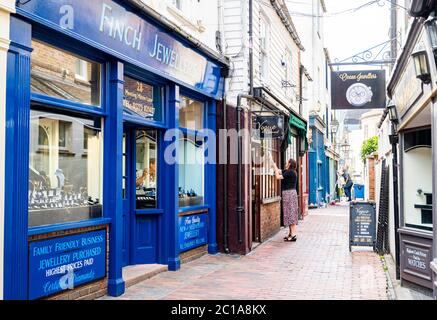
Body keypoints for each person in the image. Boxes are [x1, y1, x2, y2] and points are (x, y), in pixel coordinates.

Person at [269, 154, 299, 242]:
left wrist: (274, 166)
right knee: (289, 213)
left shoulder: (290, 172)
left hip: (289, 194)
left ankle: (293, 235)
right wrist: (272, 162)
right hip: (289, 193)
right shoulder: (290, 171)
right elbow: (279, 170)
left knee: (291, 213)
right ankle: (290, 233)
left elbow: (278, 177)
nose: (285, 163)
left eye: (287, 162)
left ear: (289, 164)